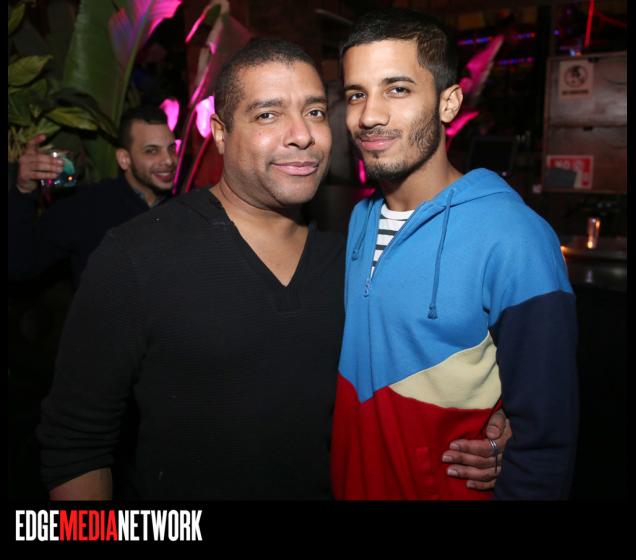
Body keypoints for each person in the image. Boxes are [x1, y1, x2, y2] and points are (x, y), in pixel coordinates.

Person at [38, 39, 509, 500]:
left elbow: (425, 366)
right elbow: (75, 444)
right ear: (221, 133)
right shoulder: (137, 255)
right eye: (268, 115)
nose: (301, 135)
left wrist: (496, 423)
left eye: (315, 112)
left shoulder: (353, 253)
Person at [331, 9, 578, 500]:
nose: (369, 115)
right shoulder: (360, 219)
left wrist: (508, 438)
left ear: (449, 102)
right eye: (357, 94)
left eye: (397, 89)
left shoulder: (516, 237)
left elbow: (545, 438)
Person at [8, 105, 177, 289]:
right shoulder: (86, 206)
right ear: (124, 159)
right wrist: (23, 191)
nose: (169, 160)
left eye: (171, 149)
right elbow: (20, 265)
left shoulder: (183, 211)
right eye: (152, 151)